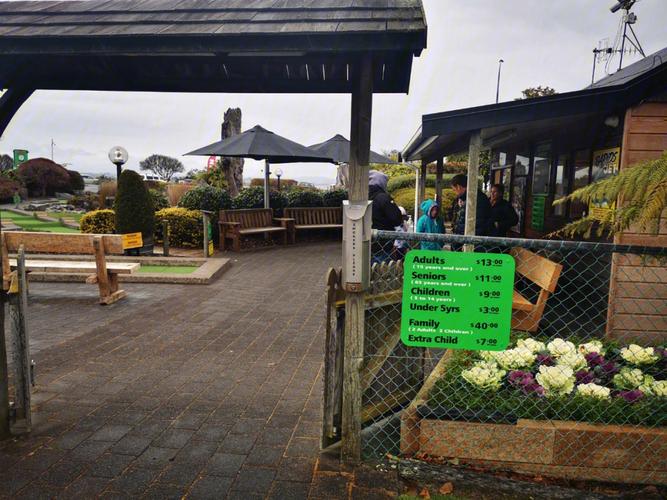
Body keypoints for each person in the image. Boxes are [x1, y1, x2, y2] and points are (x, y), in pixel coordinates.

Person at [369, 170, 403, 263]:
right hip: (383, 241)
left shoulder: (364, 197)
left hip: (367, 240)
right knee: (383, 269)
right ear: (381, 182)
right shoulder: (383, 198)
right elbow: (396, 218)